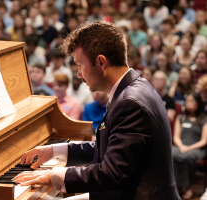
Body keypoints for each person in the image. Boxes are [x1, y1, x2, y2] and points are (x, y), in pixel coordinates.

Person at [13, 21, 180, 200]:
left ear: (100, 62)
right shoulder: (135, 86)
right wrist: (53, 151)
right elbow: (109, 147)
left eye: (79, 65)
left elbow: (111, 173)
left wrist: (53, 176)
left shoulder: (129, 102)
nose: (78, 74)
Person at [172, 92, 207, 199]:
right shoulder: (180, 118)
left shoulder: (204, 119)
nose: (189, 103)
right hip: (181, 146)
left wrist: (188, 148)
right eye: (187, 101)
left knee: (188, 157)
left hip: (196, 148)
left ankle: (188, 187)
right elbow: (176, 137)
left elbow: (204, 141)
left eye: (192, 101)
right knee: (171, 153)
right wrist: (182, 146)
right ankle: (175, 186)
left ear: (198, 103)